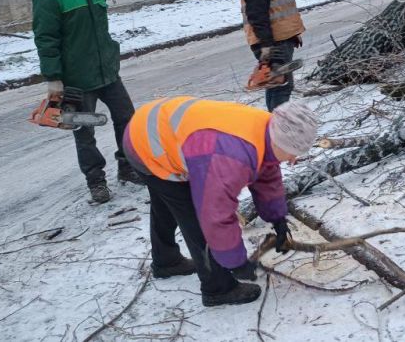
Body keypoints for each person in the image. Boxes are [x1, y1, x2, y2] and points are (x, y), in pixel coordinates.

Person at [123, 97, 318, 306]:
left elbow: (266, 172)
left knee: (166, 203)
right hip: (147, 146)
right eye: (293, 152)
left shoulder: (267, 129)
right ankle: (217, 288)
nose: (293, 159)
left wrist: (278, 218)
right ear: (281, 141)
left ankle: (166, 260)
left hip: (150, 128)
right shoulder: (230, 157)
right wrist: (236, 262)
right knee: (193, 216)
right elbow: (215, 214)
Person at [33, 0, 144, 204]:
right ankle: (96, 182)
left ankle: (127, 167)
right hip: (76, 79)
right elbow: (46, 39)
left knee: (127, 119)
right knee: (84, 130)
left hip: (106, 72)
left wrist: (110, 54)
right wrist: (54, 79)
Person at [240, 0, 307, 111]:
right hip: (273, 43)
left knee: (276, 84)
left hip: (280, 40)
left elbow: (278, 12)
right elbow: (257, 15)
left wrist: (292, 35)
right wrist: (266, 46)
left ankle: (273, 127)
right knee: (281, 88)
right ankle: (279, 130)